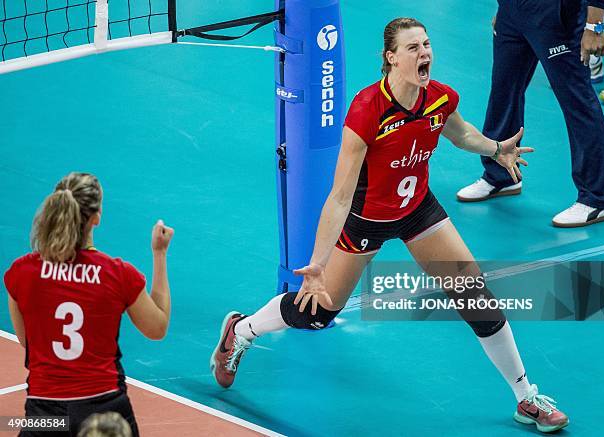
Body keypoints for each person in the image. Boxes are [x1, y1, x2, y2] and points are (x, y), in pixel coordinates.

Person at [210, 18, 569, 433]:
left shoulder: (439, 98)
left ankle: (526, 398)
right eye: (413, 47)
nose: (425, 53)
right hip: (366, 218)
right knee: (316, 313)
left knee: (476, 298)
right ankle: (241, 330)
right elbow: (340, 196)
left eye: (427, 44)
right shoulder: (366, 112)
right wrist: (318, 262)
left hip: (418, 209)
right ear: (391, 58)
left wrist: (495, 149)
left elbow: (461, 134)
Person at [4, 172, 174, 437]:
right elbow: (157, 328)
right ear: (96, 217)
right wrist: (160, 253)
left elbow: (29, 343)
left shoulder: (21, 273)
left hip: (45, 416)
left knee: (7, 422)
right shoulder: (117, 273)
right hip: (105, 412)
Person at [457, 0, 604, 227]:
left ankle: (599, 196)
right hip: (514, 11)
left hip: (555, 15)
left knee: (577, 101)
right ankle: (500, 175)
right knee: (503, 89)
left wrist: (594, 25)